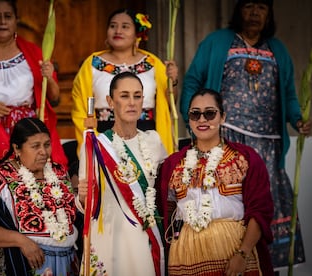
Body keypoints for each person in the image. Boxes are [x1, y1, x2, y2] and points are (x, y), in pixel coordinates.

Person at [179, 0, 311, 270]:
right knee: (227, 204)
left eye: (261, 7)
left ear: (269, 14)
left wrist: (298, 120)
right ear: (238, 11)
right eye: (249, 6)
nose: (254, 13)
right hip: (227, 141)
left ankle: (262, 265)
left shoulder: (278, 50)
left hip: (268, 145)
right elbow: (193, 80)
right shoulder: (218, 42)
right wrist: (193, 117)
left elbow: (288, 94)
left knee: (262, 204)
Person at [158, 88, 274, 275]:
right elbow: (167, 214)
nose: (202, 120)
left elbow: (260, 212)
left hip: (233, 252)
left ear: (222, 117)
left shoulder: (245, 158)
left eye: (210, 113)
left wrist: (242, 254)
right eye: (195, 114)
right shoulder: (173, 164)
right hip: (185, 256)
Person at [78, 72, 167, 275]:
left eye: (137, 96)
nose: (132, 102)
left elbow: (163, 190)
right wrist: (82, 197)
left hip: (143, 239)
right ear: (110, 101)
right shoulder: (96, 145)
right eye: (124, 96)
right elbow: (86, 205)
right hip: (109, 239)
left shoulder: (153, 141)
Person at [0, 117, 79, 276]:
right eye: (35, 146)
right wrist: (21, 241)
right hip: (27, 263)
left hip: (68, 263)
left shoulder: (59, 172)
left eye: (47, 145)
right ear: (17, 149)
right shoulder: (0, 177)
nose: (43, 152)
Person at [0, 0, 67, 168]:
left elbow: (54, 98)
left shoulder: (34, 53)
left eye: (8, 16)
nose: (3, 22)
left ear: (16, 20)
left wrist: (49, 77)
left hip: (27, 129)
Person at [72, 8, 178, 155]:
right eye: (113, 26)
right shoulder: (91, 64)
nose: (118, 31)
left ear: (137, 34)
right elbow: (82, 107)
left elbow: (169, 103)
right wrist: (93, 141)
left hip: (146, 134)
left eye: (125, 26)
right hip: (104, 135)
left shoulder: (153, 64)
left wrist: (172, 81)